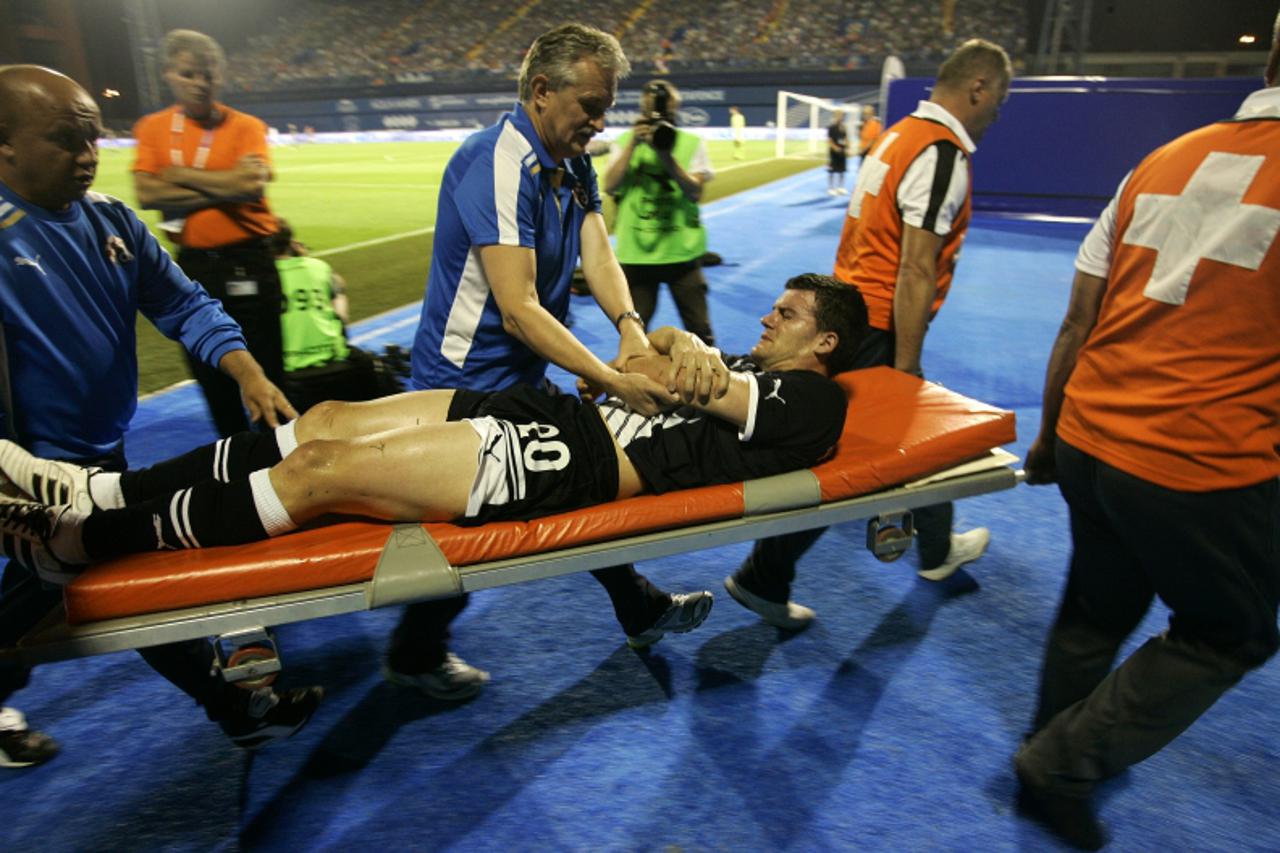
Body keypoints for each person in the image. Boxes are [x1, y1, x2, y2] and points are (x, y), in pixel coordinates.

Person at [1, 274, 868, 602]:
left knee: (321, 471)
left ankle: (83, 539)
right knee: (326, 421)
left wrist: (687, 354)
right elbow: (677, 357)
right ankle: (105, 489)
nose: (768, 315)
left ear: (824, 342)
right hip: (554, 414)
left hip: (582, 460)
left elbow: (717, 389)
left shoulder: (811, 404)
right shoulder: (749, 364)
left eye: (787, 314)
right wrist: (678, 342)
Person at [0, 65, 320, 764]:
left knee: (55, 594)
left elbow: (184, 304)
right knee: (119, 581)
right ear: (5, 147)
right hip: (27, 474)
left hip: (99, 454)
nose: (88, 154)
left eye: (94, 136)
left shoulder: (111, 220)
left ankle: (235, 707)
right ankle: (238, 708)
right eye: (65, 138)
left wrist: (248, 370)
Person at [1014, 14, 1280, 849]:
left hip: (1094, 431)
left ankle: (1051, 739)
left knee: (1097, 605)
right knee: (1229, 630)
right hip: (1199, 456)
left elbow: (1078, 316)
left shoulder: (1161, 160)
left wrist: (1053, 435)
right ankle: (1060, 762)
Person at [405, 24, 709, 700]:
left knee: (580, 475)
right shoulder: (496, 161)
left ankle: (636, 602)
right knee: (478, 519)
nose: (601, 125)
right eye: (592, 107)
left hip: (518, 371)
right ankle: (412, 649)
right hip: (460, 382)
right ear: (542, 91)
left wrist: (630, 330)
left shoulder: (570, 163)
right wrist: (609, 378)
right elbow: (517, 307)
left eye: (608, 109)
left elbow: (598, 253)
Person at [725, 39, 1012, 631]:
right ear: (978, 89)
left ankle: (933, 549)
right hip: (881, 326)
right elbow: (915, 266)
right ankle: (764, 575)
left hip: (856, 316)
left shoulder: (898, 135)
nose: (997, 112)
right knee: (849, 459)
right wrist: (907, 365)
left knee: (882, 443)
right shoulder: (941, 150)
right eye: (998, 99)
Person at [132, 29, 293, 438]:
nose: (199, 83)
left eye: (207, 74)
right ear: (169, 74)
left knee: (269, 376)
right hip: (193, 268)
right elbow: (147, 192)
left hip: (249, 262)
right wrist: (224, 183)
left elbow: (249, 186)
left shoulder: (245, 126)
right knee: (213, 380)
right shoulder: (152, 128)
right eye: (188, 74)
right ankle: (237, 473)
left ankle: (284, 472)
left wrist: (182, 176)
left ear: (219, 75)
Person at [603, 79, 716, 345]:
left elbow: (694, 192)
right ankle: (633, 385)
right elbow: (610, 186)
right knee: (634, 335)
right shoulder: (624, 142)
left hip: (682, 253)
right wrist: (633, 143)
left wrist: (666, 156)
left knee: (701, 331)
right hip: (637, 255)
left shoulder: (690, 143)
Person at [271, 221, 405, 414]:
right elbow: (340, 300)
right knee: (374, 371)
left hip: (290, 375)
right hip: (336, 362)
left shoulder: (261, 279)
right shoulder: (319, 267)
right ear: (290, 242)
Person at [827, 109, 849, 195]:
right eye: (838, 115)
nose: (840, 117)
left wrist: (847, 146)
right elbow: (829, 140)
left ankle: (841, 187)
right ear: (835, 116)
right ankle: (831, 187)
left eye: (841, 115)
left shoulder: (844, 127)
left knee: (842, 170)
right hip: (833, 152)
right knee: (832, 170)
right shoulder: (831, 127)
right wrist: (835, 148)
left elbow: (846, 138)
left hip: (842, 151)